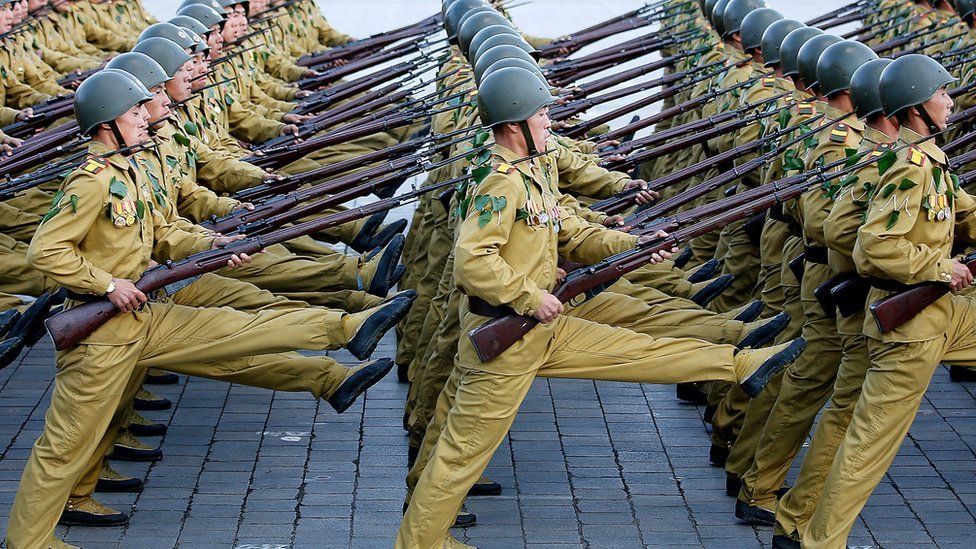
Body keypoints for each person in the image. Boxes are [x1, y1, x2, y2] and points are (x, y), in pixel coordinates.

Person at [396, 66, 806, 549]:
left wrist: (630, 245)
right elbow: (473, 262)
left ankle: (740, 362)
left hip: (537, 329)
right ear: (513, 123)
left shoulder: (531, 170)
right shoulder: (498, 181)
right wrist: (532, 295)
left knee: (638, 350)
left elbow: (570, 231)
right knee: (459, 454)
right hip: (510, 335)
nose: (549, 120)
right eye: (542, 113)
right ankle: (420, 541)